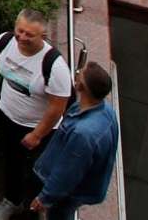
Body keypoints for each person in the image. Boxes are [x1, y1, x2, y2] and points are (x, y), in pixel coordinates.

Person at [0, 9, 72, 220]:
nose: (22, 37)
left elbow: (58, 106)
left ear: (42, 37)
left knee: (39, 170)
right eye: (20, 31)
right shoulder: (5, 42)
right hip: (9, 116)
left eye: (30, 34)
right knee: (12, 161)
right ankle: (12, 201)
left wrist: (37, 134)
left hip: (41, 128)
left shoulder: (54, 66)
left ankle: (39, 206)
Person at [30, 61, 120, 220]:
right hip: (83, 186)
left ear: (81, 87)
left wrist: (45, 197)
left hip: (70, 193)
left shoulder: (83, 134)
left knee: (59, 215)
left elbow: (67, 172)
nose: (76, 74)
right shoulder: (107, 112)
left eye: (79, 73)